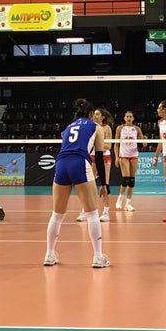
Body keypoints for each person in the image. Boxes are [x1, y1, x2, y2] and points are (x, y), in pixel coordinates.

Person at [43, 98, 110, 268]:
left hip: (61, 164)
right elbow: (100, 158)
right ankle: (98, 257)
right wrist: (104, 183)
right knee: (92, 213)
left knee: (57, 215)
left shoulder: (67, 128)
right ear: (90, 114)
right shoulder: (96, 127)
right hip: (80, 163)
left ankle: (49, 254)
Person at [114, 110, 147, 211]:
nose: (128, 118)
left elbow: (144, 143)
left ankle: (128, 203)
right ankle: (119, 198)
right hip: (123, 155)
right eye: (127, 116)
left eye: (130, 116)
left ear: (133, 118)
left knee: (132, 180)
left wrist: (145, 139)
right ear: (124, 118)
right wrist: (116, 157)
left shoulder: (136, 128)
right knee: (126, 179)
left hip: (134, 155)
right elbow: (116, 144)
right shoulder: (120, 128)